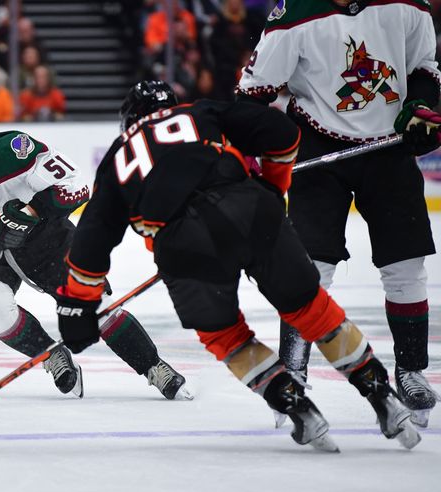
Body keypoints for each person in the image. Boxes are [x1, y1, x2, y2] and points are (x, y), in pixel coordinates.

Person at [54, 80, 421, 451]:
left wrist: (79, 303)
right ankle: (381, 395)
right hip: (250, 209)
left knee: (226, 335)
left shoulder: (118, 156)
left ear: (128, 121)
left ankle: (297, 408)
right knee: (311, 309)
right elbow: (284, 134)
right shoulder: (201, 111)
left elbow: (94, 236)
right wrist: (274, 189)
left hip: (184, 243)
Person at [0, 106, 192, 401]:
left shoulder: (15, 151)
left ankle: (153, 366)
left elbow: (76, 185)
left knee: (95, 306)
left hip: (44, 238)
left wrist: (31, 210)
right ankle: (51, 353)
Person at [237, 0, 440, 427]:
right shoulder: (294, 15)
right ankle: (292, 372)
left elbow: (424, 66)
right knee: (309, 268)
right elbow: (253, 92)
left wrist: (422, 107)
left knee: (405, 265)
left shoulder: (405, 6)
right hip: (317, 142)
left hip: (389, 147)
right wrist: (250, 151)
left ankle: (410, 371)